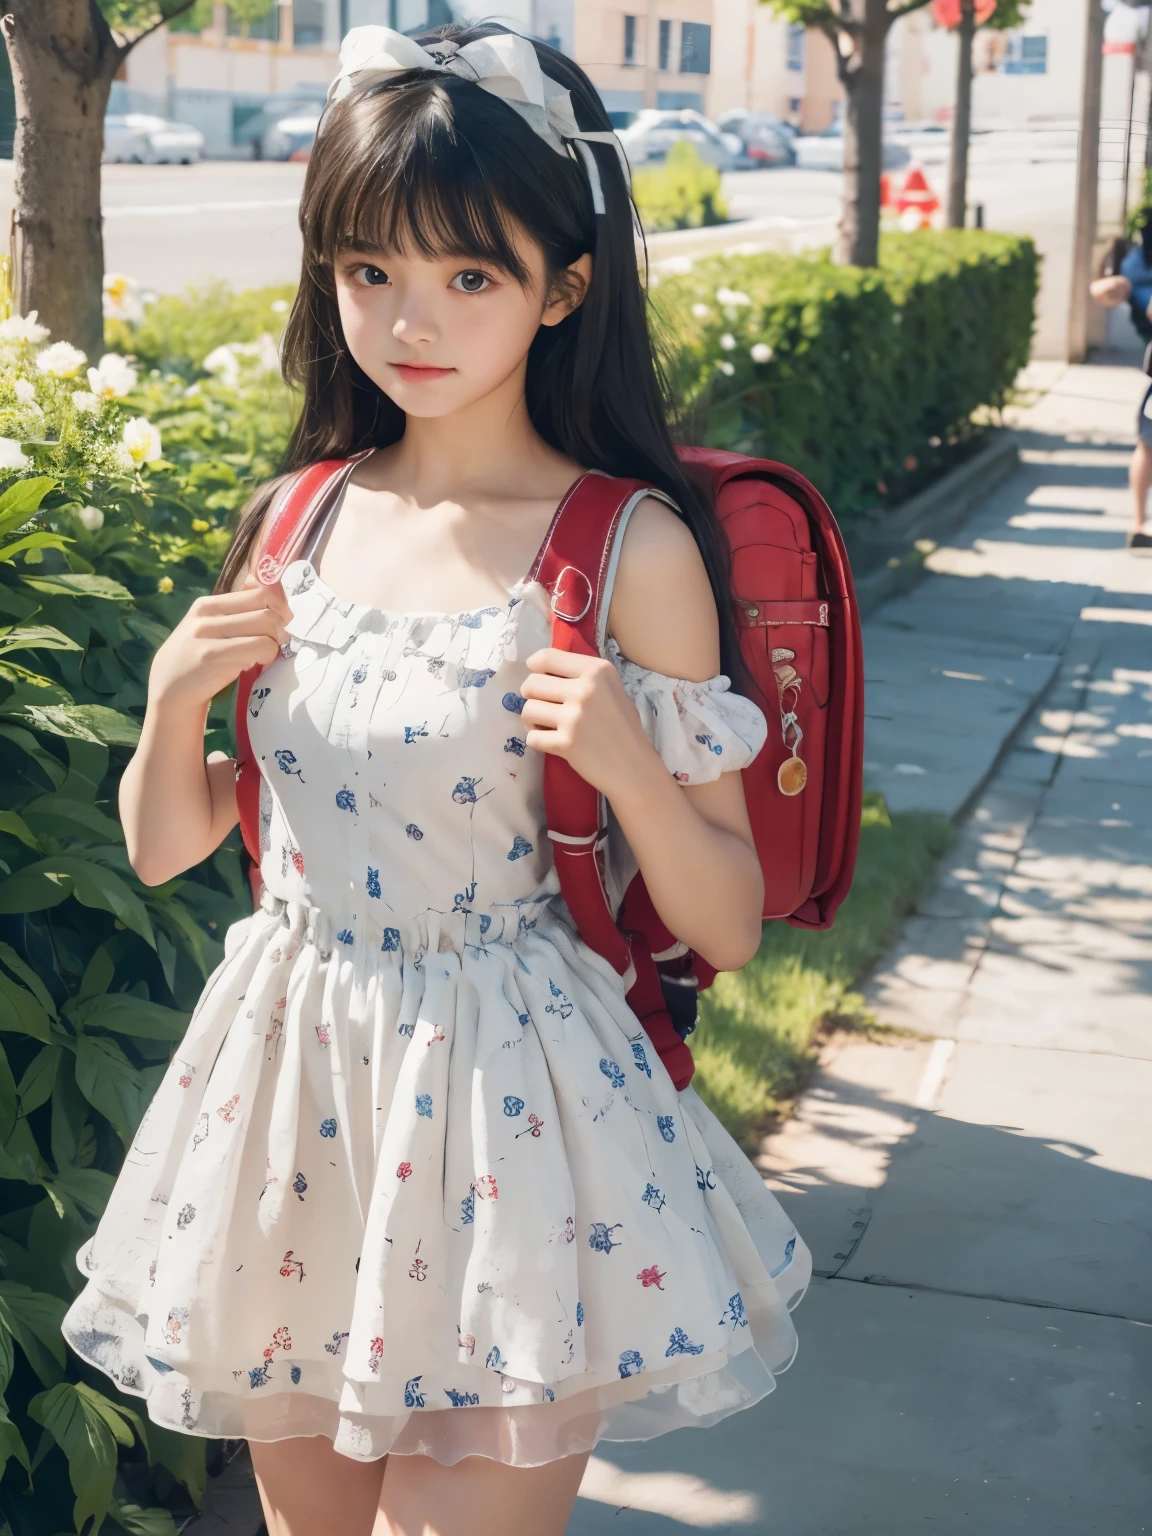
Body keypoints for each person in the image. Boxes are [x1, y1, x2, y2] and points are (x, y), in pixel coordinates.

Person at [60, 23, 810, 1536]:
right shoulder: (296, 518)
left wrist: (627, 766)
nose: (413, 318)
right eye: (369, 272)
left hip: (512, 1109)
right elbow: (165, 848)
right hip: (288, 1093)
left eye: (471, 275)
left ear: (563, 285)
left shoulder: (624, 548)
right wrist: (165, 707)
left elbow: (726, 923)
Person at [1090, 221, 1152, 550]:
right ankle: (1139, 523)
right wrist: (1110, 286)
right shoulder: (1137, 264)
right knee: (1148, 444)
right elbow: (1103, 291)